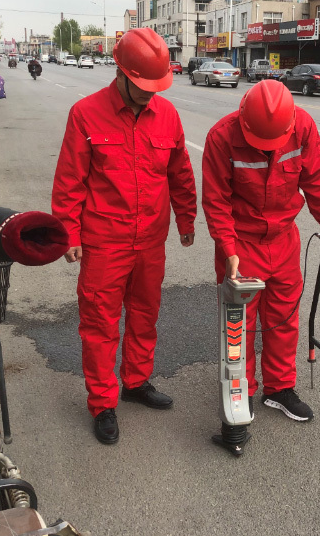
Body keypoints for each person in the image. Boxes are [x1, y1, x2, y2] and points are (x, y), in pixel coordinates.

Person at [52, 27, 197, 445]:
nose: (151, 94)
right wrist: (69, 234)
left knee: (145, 314)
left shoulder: (167, 116)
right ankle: (102, 402)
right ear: (122, 73)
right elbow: (70, 182)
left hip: (151, 239)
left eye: (156, 87)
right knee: (100, 324)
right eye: (143, 87)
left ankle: (136, 381)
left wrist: (186, 221)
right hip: (104, 242)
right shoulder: (86, 114)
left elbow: (180, 175)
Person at [201, 79, 320, 423]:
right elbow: (216, 200)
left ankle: (279, 388)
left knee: (283, 319)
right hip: (242, 242)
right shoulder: (222, 137)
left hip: (283, 240)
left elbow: (317, 177)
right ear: (244, 120)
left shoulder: (302, 127)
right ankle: (242, 388)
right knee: (240, 324)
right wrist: (228, 247)